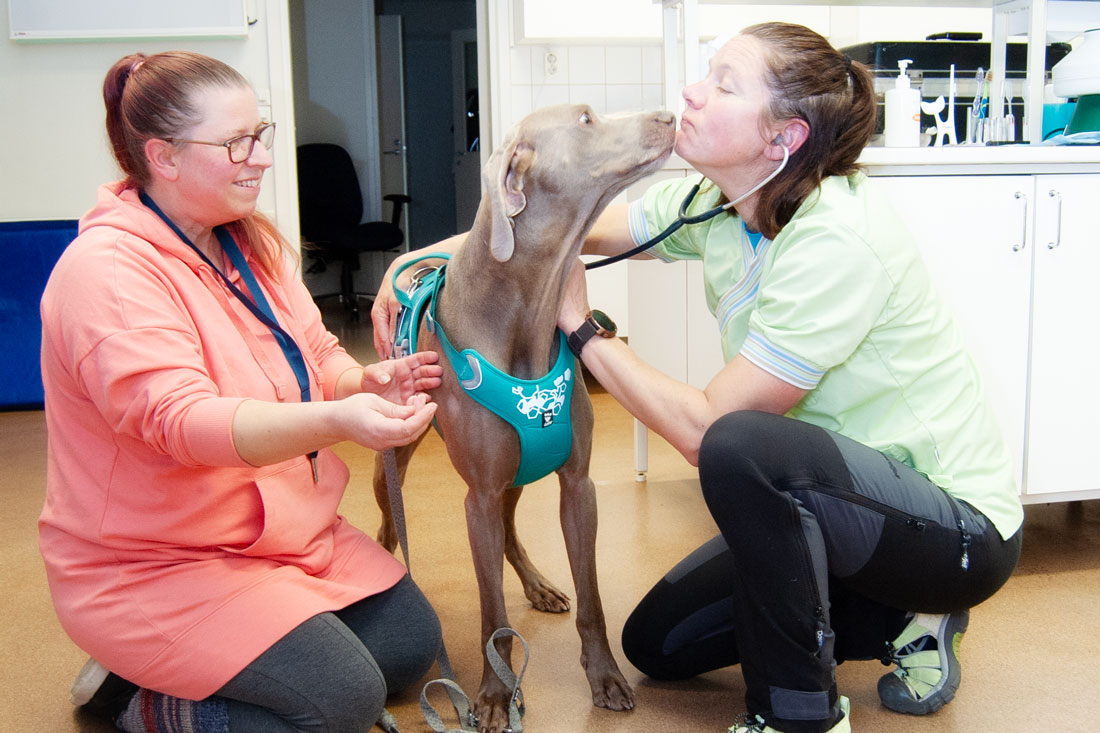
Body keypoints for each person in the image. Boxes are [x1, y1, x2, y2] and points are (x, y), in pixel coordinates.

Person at [373, 22, 1024, 733]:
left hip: (952, 524)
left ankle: (800, 712)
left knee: (740, 446)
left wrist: (582, 328)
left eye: (724, 85)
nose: (692, 92)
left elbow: (704, 431)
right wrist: (411, 265)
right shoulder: (722, 203)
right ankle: (899, 614)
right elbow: (552, 224)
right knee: (656, 643)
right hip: (834, 501)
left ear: (783, 138)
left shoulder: (837, 237)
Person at [39, 51, 444, 733]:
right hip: (156, 562)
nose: (262, 157)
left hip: (274, 534)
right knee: (343, 700)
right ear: (163, 157)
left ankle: (207, 660)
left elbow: (316, 354)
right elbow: (184, 422)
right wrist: (339, 419)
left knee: (408, 646)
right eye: (236, 143)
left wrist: (366, 380)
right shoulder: (105, 272)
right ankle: (133, 696)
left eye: (260, 134)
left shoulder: (245, 244)